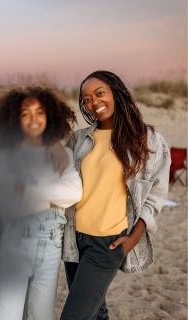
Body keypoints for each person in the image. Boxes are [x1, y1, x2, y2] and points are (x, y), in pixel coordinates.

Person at [61, 70, 171, 320]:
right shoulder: (78, 140)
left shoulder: (149, 140)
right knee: (96, 313)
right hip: (74, 240)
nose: (93, 102)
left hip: (108, 244)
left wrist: (133, 238)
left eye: (99, 93)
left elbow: (156, 195)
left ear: (116, 93)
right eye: (86, 99)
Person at [0, 86, 82, 320]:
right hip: (14, 243)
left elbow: (74, 193)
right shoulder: (4, 156)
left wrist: (28, 189)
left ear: (50, 115)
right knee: (5, 313)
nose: (33, 119)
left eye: (40, 112)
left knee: (41, 314)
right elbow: (4, 202)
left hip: (51, 245)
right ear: (14, 119)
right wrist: (51, 199)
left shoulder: (63, 155)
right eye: (25, 113)